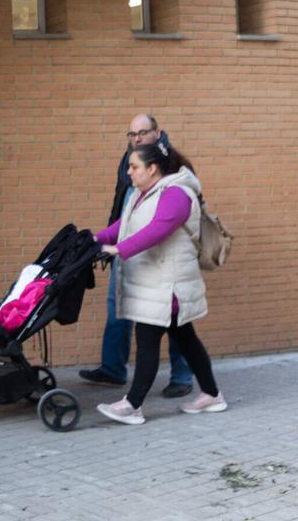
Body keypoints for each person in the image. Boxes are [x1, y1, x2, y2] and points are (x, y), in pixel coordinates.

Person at [92, 141, 228, 425]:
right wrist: (96, 240)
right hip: (157, 284)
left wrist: (120, 249)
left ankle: (132, 405)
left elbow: (159, 228)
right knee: (186, 340)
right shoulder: (142, 195)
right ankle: (212, 395)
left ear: (152, 168)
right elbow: (124, 226)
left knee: (147, 339)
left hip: (169, 286)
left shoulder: (177, 193)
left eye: (134, 166)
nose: (129, 172)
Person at [79, 114, 194, 398]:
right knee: (117, 306)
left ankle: (182, 376)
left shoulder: (173, 169)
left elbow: (160, 225)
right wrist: (102, 239)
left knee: (172, 318)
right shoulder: (128, 162)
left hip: (162, 256)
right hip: (128, 248)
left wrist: (120, 246)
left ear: (158, 132)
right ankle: (113, 368)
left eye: (142, 132)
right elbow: (125, 210)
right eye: (131, 134)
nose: (136, 138)